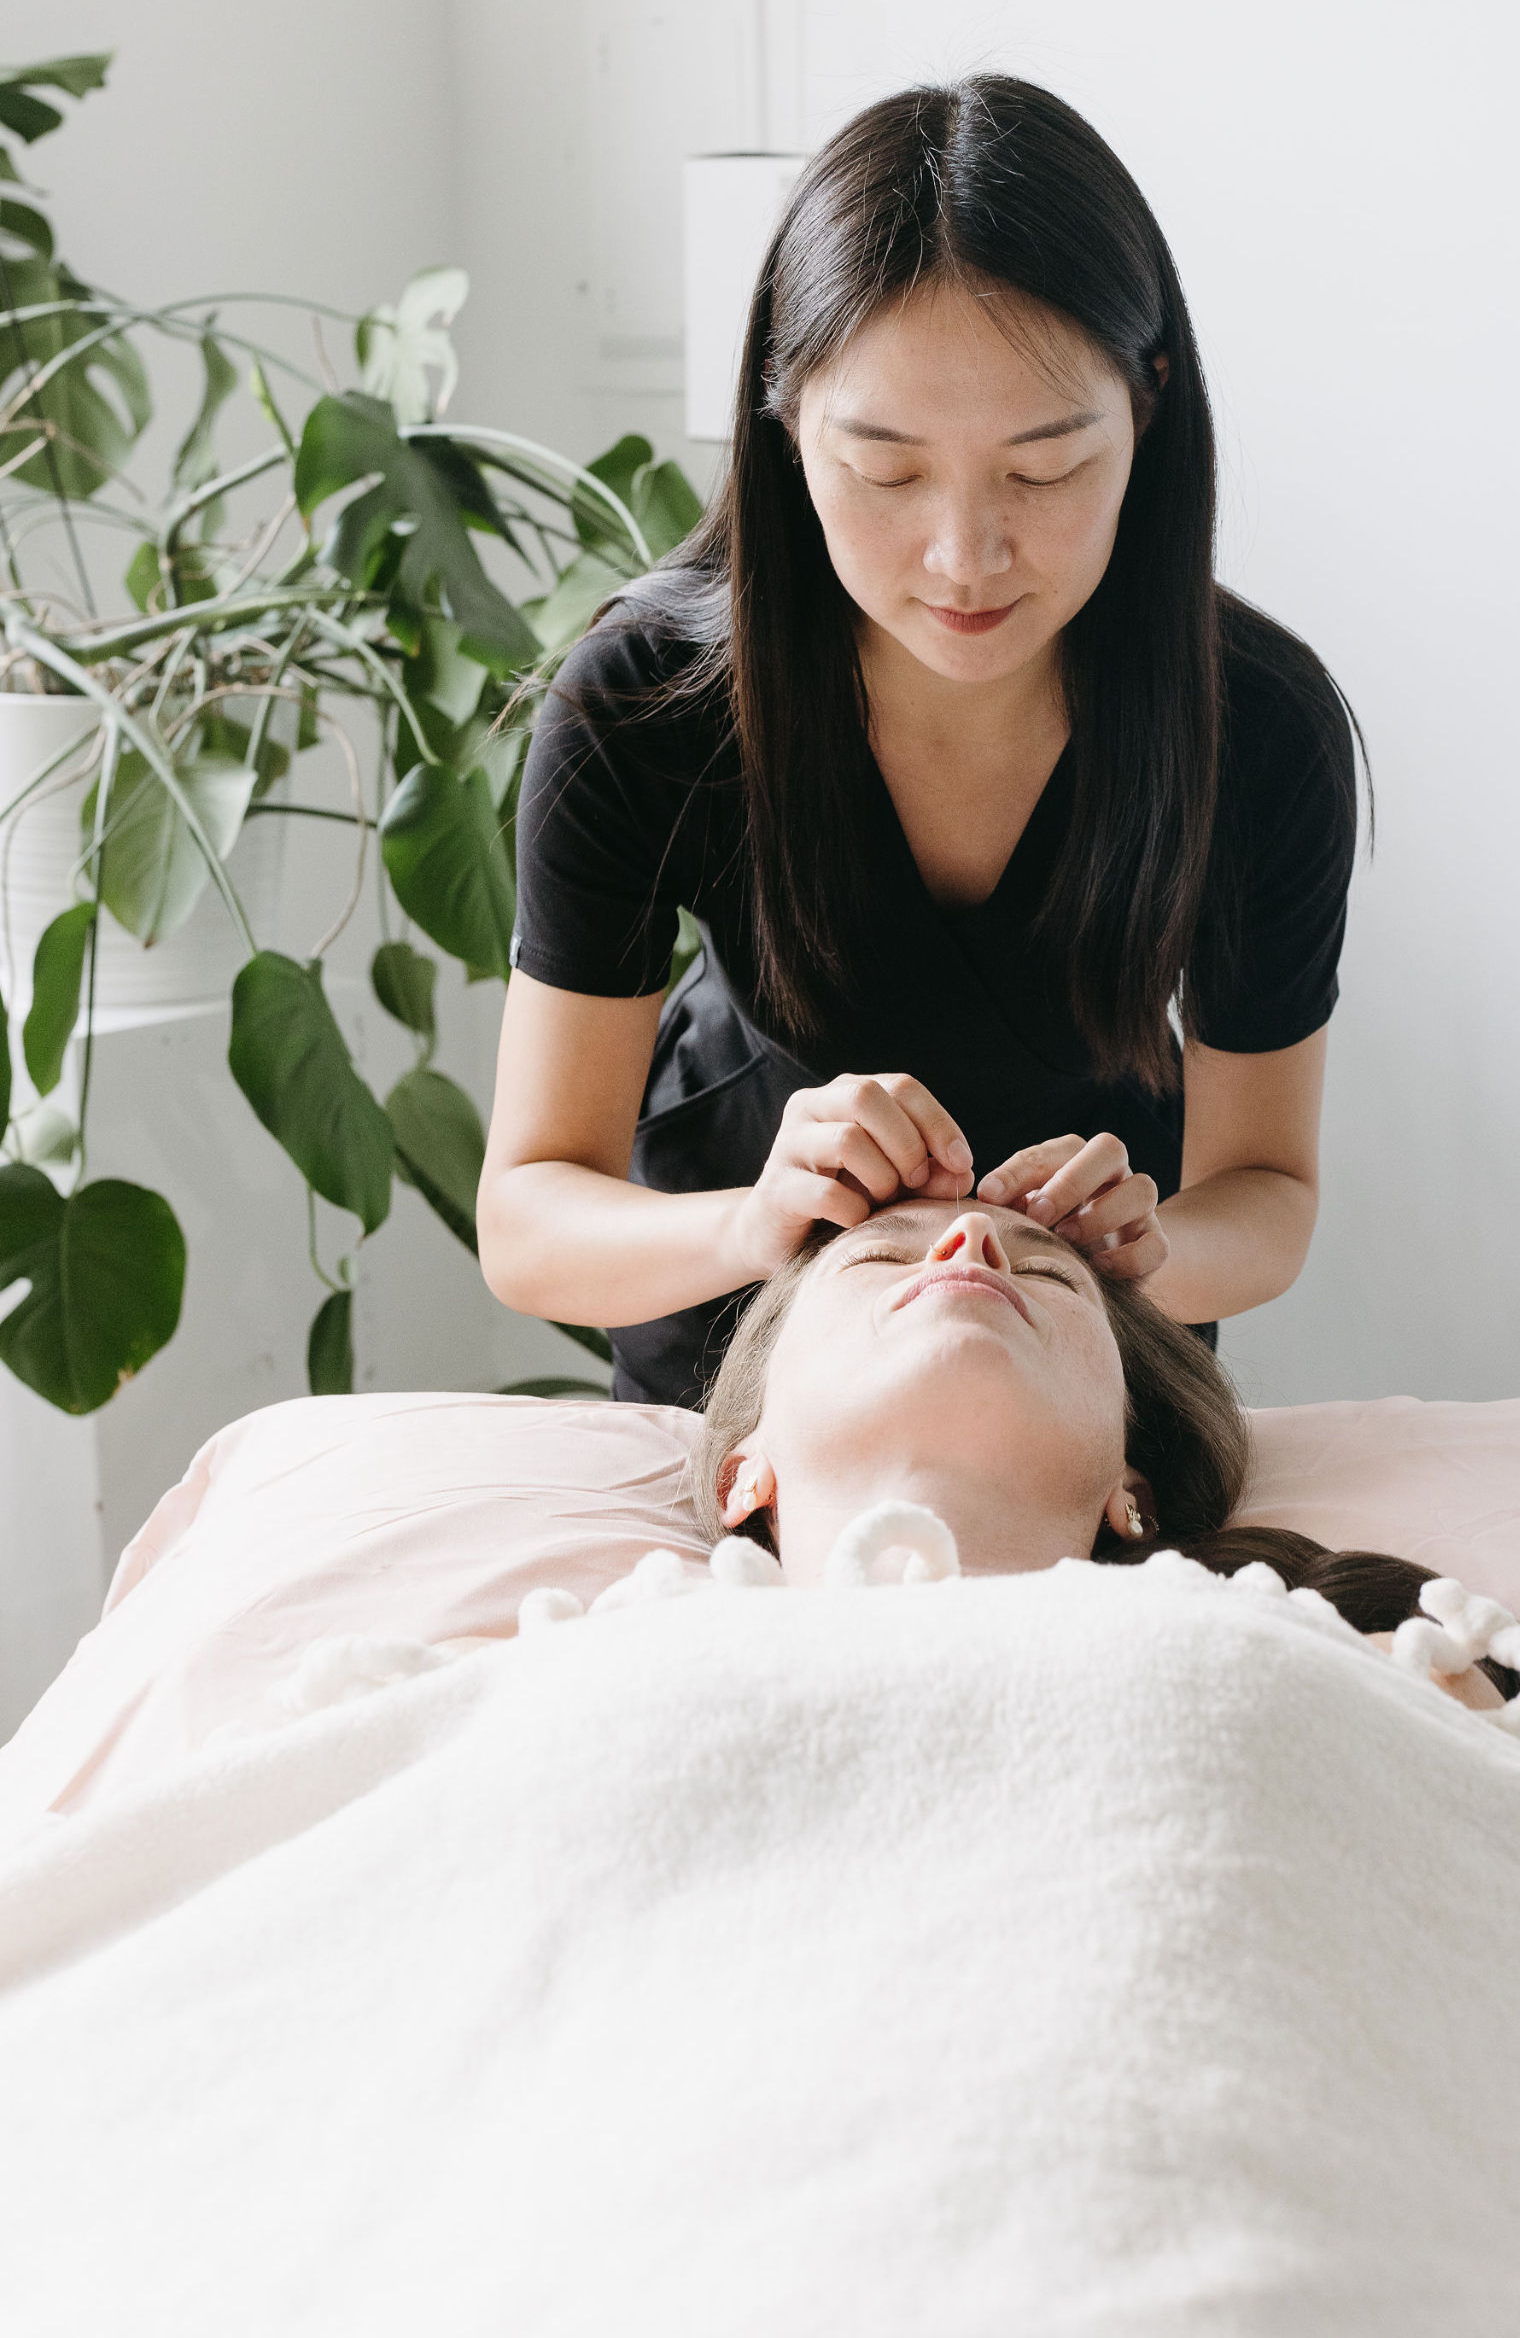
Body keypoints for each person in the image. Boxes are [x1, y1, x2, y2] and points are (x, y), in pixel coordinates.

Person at [480, 74, 1363, 1408]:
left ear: (1150, 406)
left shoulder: (1261, 728)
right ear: (783, 424)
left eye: (1046, 467)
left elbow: (1270, 1195)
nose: (966, 556)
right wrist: (755, 1225)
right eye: (886, 471)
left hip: (1087, 1364)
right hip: (743, 1365)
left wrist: (1144, 1254)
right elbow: (530, 1216)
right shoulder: (645, 708)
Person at [696, 1194, 1520, 1809]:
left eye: (1048, 1273)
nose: (968, 1244)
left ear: (1132, 1489)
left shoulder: (1369, 1680)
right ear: (746, 1471)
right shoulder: (607, 1668)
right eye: (880, 1257)